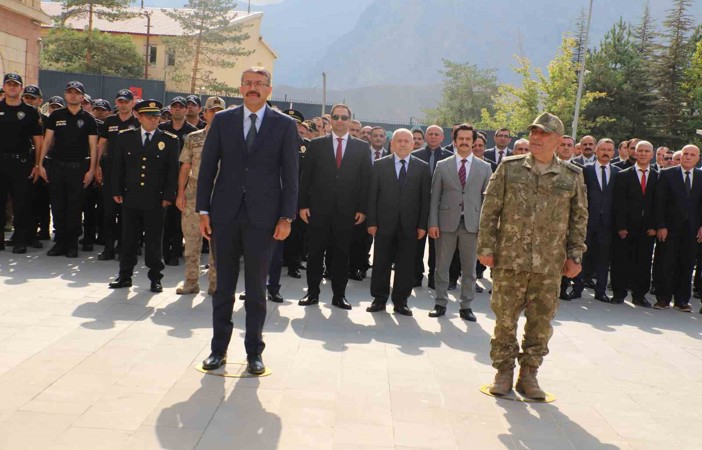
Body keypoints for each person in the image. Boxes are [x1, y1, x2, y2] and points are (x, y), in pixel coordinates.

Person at [197, 67, 298, 374]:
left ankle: (254, 352)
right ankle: (218, 350)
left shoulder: (284, 125)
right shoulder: (223, 121)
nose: (253, 88)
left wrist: (286, 216)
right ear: (240, 88)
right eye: (248, 84)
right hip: (224, 215)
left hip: (263, 218)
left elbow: (291, 175)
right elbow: (207, 167)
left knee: (256, 289)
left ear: (269, 90)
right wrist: (203, 210)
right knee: (223, 288)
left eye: (259, 84)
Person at [478, 112, 587, 399]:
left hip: (549, 264)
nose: (536, 138)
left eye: (543, 134)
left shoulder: (571, 175)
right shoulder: (509, 168)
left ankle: (529, 375)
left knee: (541, 322)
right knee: (505, 318)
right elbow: (490, 210)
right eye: (533, 133)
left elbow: (578, 218)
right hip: (510, 259)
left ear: (558, 140)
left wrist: (575, 255)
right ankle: (503, 372)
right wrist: (486, 248)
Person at [299, 103, 371, 310]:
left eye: (344, 117)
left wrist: (362, 208)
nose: (340, 121)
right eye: (336, 117)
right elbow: (306, 178)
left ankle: (339, 295)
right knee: (315, 253)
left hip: (346, 211)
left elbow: (365, 180)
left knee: (341, 254)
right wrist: (303, 205)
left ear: (350, 120)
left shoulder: (361, 147)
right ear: (331, 120)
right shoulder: (317, 145)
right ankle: (312, 293)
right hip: (318, 210)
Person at [108, 100, 179, 292]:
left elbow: (173, 171)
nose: (154, 120)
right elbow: (117, 167)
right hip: (131, 197)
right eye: (149, 116)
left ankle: (155, 277)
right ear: (139, 117)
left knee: (154, 241)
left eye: (157, 116)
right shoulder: (125, 137)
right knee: (128, 239)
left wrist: (169, 195)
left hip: (155, 199)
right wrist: (116, 190)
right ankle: (125, 276)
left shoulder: (170, 140)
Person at [428, 123, 492, 321]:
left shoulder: (485, 167)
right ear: (454, 142)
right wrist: (433, 223)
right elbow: (435, 196)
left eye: (468, 139)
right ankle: (440, 303)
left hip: (472, 225)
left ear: (473, 143)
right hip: (446, 223)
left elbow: (488, 201)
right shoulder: (443, 165)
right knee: (442, 267)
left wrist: (486, 228)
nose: (464, 142)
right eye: (461, 139)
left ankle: (466, 306)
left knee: (469, 269)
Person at [366, 128, 430, 316]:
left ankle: (401, 301)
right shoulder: (379, 165)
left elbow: (425, 199)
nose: (402, 144)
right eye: (399, 141)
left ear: (413, 144)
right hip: (384, 223)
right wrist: (372, 221)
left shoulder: (422, 167)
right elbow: (372, 196)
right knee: (381, 262)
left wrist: (422, 224)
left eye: (406, 141)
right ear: (391, 143)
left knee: (406, 264)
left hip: (410, 225)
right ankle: (379, 299)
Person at [37, 81, 98, 258]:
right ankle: (60, 242)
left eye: (77, 93)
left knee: (74, 207)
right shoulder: (56, 116)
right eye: (70, 92)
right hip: (56, 167)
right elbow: (47, 141)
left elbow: (93, 147)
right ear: (65, 95)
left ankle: (72, 244)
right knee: (57, 206)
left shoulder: (88, 119)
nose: (73, 95)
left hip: (78, 168)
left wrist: (92, 170)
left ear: (82, 97)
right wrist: (40, 164)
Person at [175, 96, 225, 296]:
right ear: (205, 113)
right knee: (192, 240)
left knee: (218, 243)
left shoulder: (231, 138)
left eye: (219, 111)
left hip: (221, 193)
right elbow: (185, 166)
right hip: (194, 191)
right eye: (211, 111)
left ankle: (215, 283)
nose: (215, 114)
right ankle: (191, 281)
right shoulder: (193, 138)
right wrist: (180, 193)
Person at [653, 145, 702, 312]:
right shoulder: (667, 174)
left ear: (698, 158)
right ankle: (663, 299)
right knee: (666, 263)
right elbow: (659, 203)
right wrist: (661, 225)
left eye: (692, 155)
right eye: (685, 154)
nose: (688, 157)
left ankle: (682, 300)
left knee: (687, 264)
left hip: (692, 229)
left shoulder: (701, 176)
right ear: (680, 157)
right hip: (669, 228)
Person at [0, 73, 43, 253]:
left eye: (15, 84)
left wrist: (38, 165)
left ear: (21, 88)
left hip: (22, 162)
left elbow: (38, 141)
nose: (11, 87)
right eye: (8, 84)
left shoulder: (30, 112)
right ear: (4, 87)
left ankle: (20, 240)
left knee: (21, 203)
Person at [611, 140, 657, 306]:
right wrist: (621, 226)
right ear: (635, 153)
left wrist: (655, 226)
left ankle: (639, 295)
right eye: (640, 151)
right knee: (621, 260)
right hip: (626, 228)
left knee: (643, 262)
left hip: (647, 230)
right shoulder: (623, 175)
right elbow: (619, 204)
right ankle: (618, 293)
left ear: (652, 154)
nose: (643, 154)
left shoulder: (658, 176)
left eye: (647, 151)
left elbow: (658, 204)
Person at [96, 89, 139, 261]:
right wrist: (97, 165)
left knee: (126, 214)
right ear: (116, 103)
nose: (123, 104)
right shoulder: (110, 121)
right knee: (108, 212)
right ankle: (108, 248)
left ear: (132, 103)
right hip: (111, 171)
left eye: (126, 101)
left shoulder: (137, 122)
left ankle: (124, 247)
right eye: (120, 101)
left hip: (130, 173)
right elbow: (102, 144)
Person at [411, 125, 453, 288]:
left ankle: (433, 276)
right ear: (426, 137)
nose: (433, 137)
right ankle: (416, 275)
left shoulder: (450, 157)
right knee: (417, 241)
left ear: (442, 138)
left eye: (437, 134)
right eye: (430, 134)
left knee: (437, 243)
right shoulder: (415, 155)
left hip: (441, 206)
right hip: (419, 205)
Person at [580, 138, 620, 303]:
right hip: (587, 220)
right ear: (596, 151)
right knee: (581, 255)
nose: (606, 152)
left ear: (613, 152)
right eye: (603, 149)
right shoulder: (585, 170)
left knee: (604, 258)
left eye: (609, 150)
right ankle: (577, 288)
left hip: (608, 223)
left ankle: (600, 291)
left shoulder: (618, 172)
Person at [159, 97, 198, 266]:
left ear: (186, 110)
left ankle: (175, 252)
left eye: (181, 107)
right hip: (162, 178)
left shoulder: (192, 132)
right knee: (161, 218)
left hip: (183, 179)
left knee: (178, 218)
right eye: (174, 107)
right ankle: (161, 252)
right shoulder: (161, 129)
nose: (177, 110)